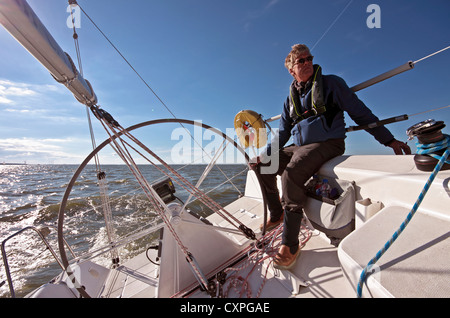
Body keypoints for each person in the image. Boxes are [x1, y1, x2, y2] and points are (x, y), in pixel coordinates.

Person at [250, 44, 410, 270]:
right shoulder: (290, 99)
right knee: (263, 166)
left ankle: (290, 243)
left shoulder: (332, 83)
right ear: (291, 70)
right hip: (300, 146)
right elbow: (283, 133)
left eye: (309, 59)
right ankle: (276, 214)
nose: (307, 63)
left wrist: (389, 140)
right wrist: (263, 155)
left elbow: (360, 112)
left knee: (292, 173)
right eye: (301, 61)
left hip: (329, 143)